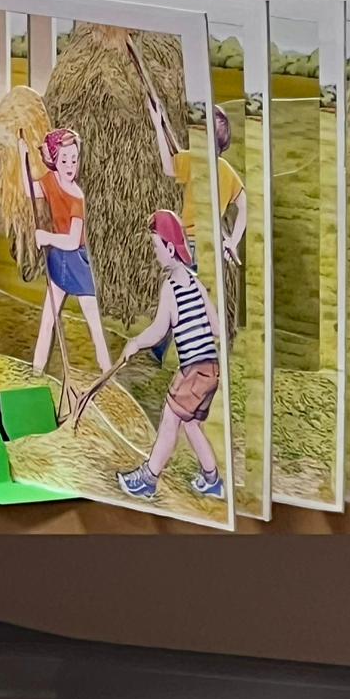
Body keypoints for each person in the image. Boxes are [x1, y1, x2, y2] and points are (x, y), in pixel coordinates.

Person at [117, 210, 224, 501]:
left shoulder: (171, 288)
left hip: (194, 371)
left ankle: (148, 480)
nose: (155, 253)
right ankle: (212, 480)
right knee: (191, 424)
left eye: (156, 246)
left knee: (169, 421)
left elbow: (158, 330)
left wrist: (135, 343)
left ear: (169, 247)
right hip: (210, 370)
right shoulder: (196, 284)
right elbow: (217, 328)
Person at [19, 128, 111, 375]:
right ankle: (37, 370)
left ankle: (106, 371)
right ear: (54, 162)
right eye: (64, 160)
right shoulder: (50, 180)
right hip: (58, 259)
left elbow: (72, 241)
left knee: (93, 321)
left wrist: (46, 237)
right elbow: (29, 190)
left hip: (76, 260)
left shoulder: (77, 197)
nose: (70, 166)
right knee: (48, 318)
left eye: (74, 159)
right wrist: (23, 157)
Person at [147, 98, 246, 265]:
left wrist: (158, 124)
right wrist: (233, 241)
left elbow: (168, 168)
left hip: (191, 242)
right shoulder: (226, 169)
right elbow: (245, 205)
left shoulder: (197, 161)